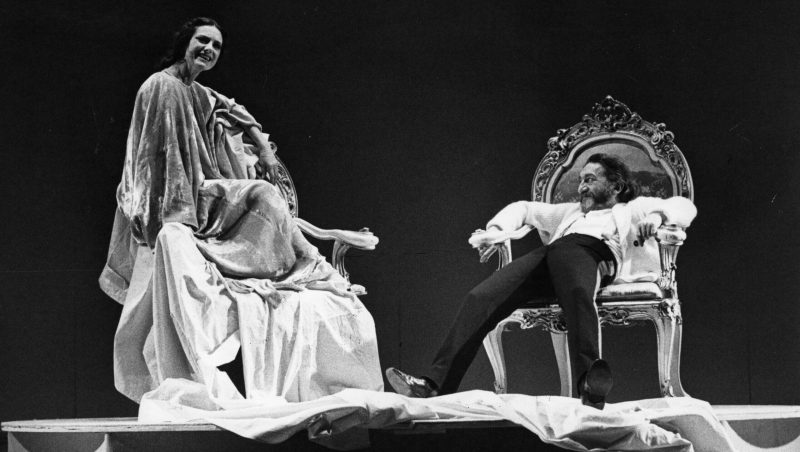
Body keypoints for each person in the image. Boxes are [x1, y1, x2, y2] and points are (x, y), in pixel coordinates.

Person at [99, 17, 383, 404]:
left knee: (263, 193)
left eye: (216, 45)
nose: (209, 49)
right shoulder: (157, 86)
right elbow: (145, 156)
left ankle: (306, 264)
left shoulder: (199, 92)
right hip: (176, 199)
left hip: (202, 191)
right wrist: (160, 215)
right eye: (203, 40)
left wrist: (264, 149)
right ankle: (308, 263)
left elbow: (236, 111)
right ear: (185, 42)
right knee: (261, 193)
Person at [386, 153, 697, 409]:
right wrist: (496, 231)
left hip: (593, 253)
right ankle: (433, 386)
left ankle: (589, 387)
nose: (582, 187)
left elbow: (684, 206)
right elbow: (524, 209)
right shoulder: (569, 212)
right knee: (481, 297)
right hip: (550, 256)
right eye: (580, 180)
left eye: (590, 179)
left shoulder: (633, 208)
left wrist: (657, 216)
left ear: (615, 185)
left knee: (577, 292)